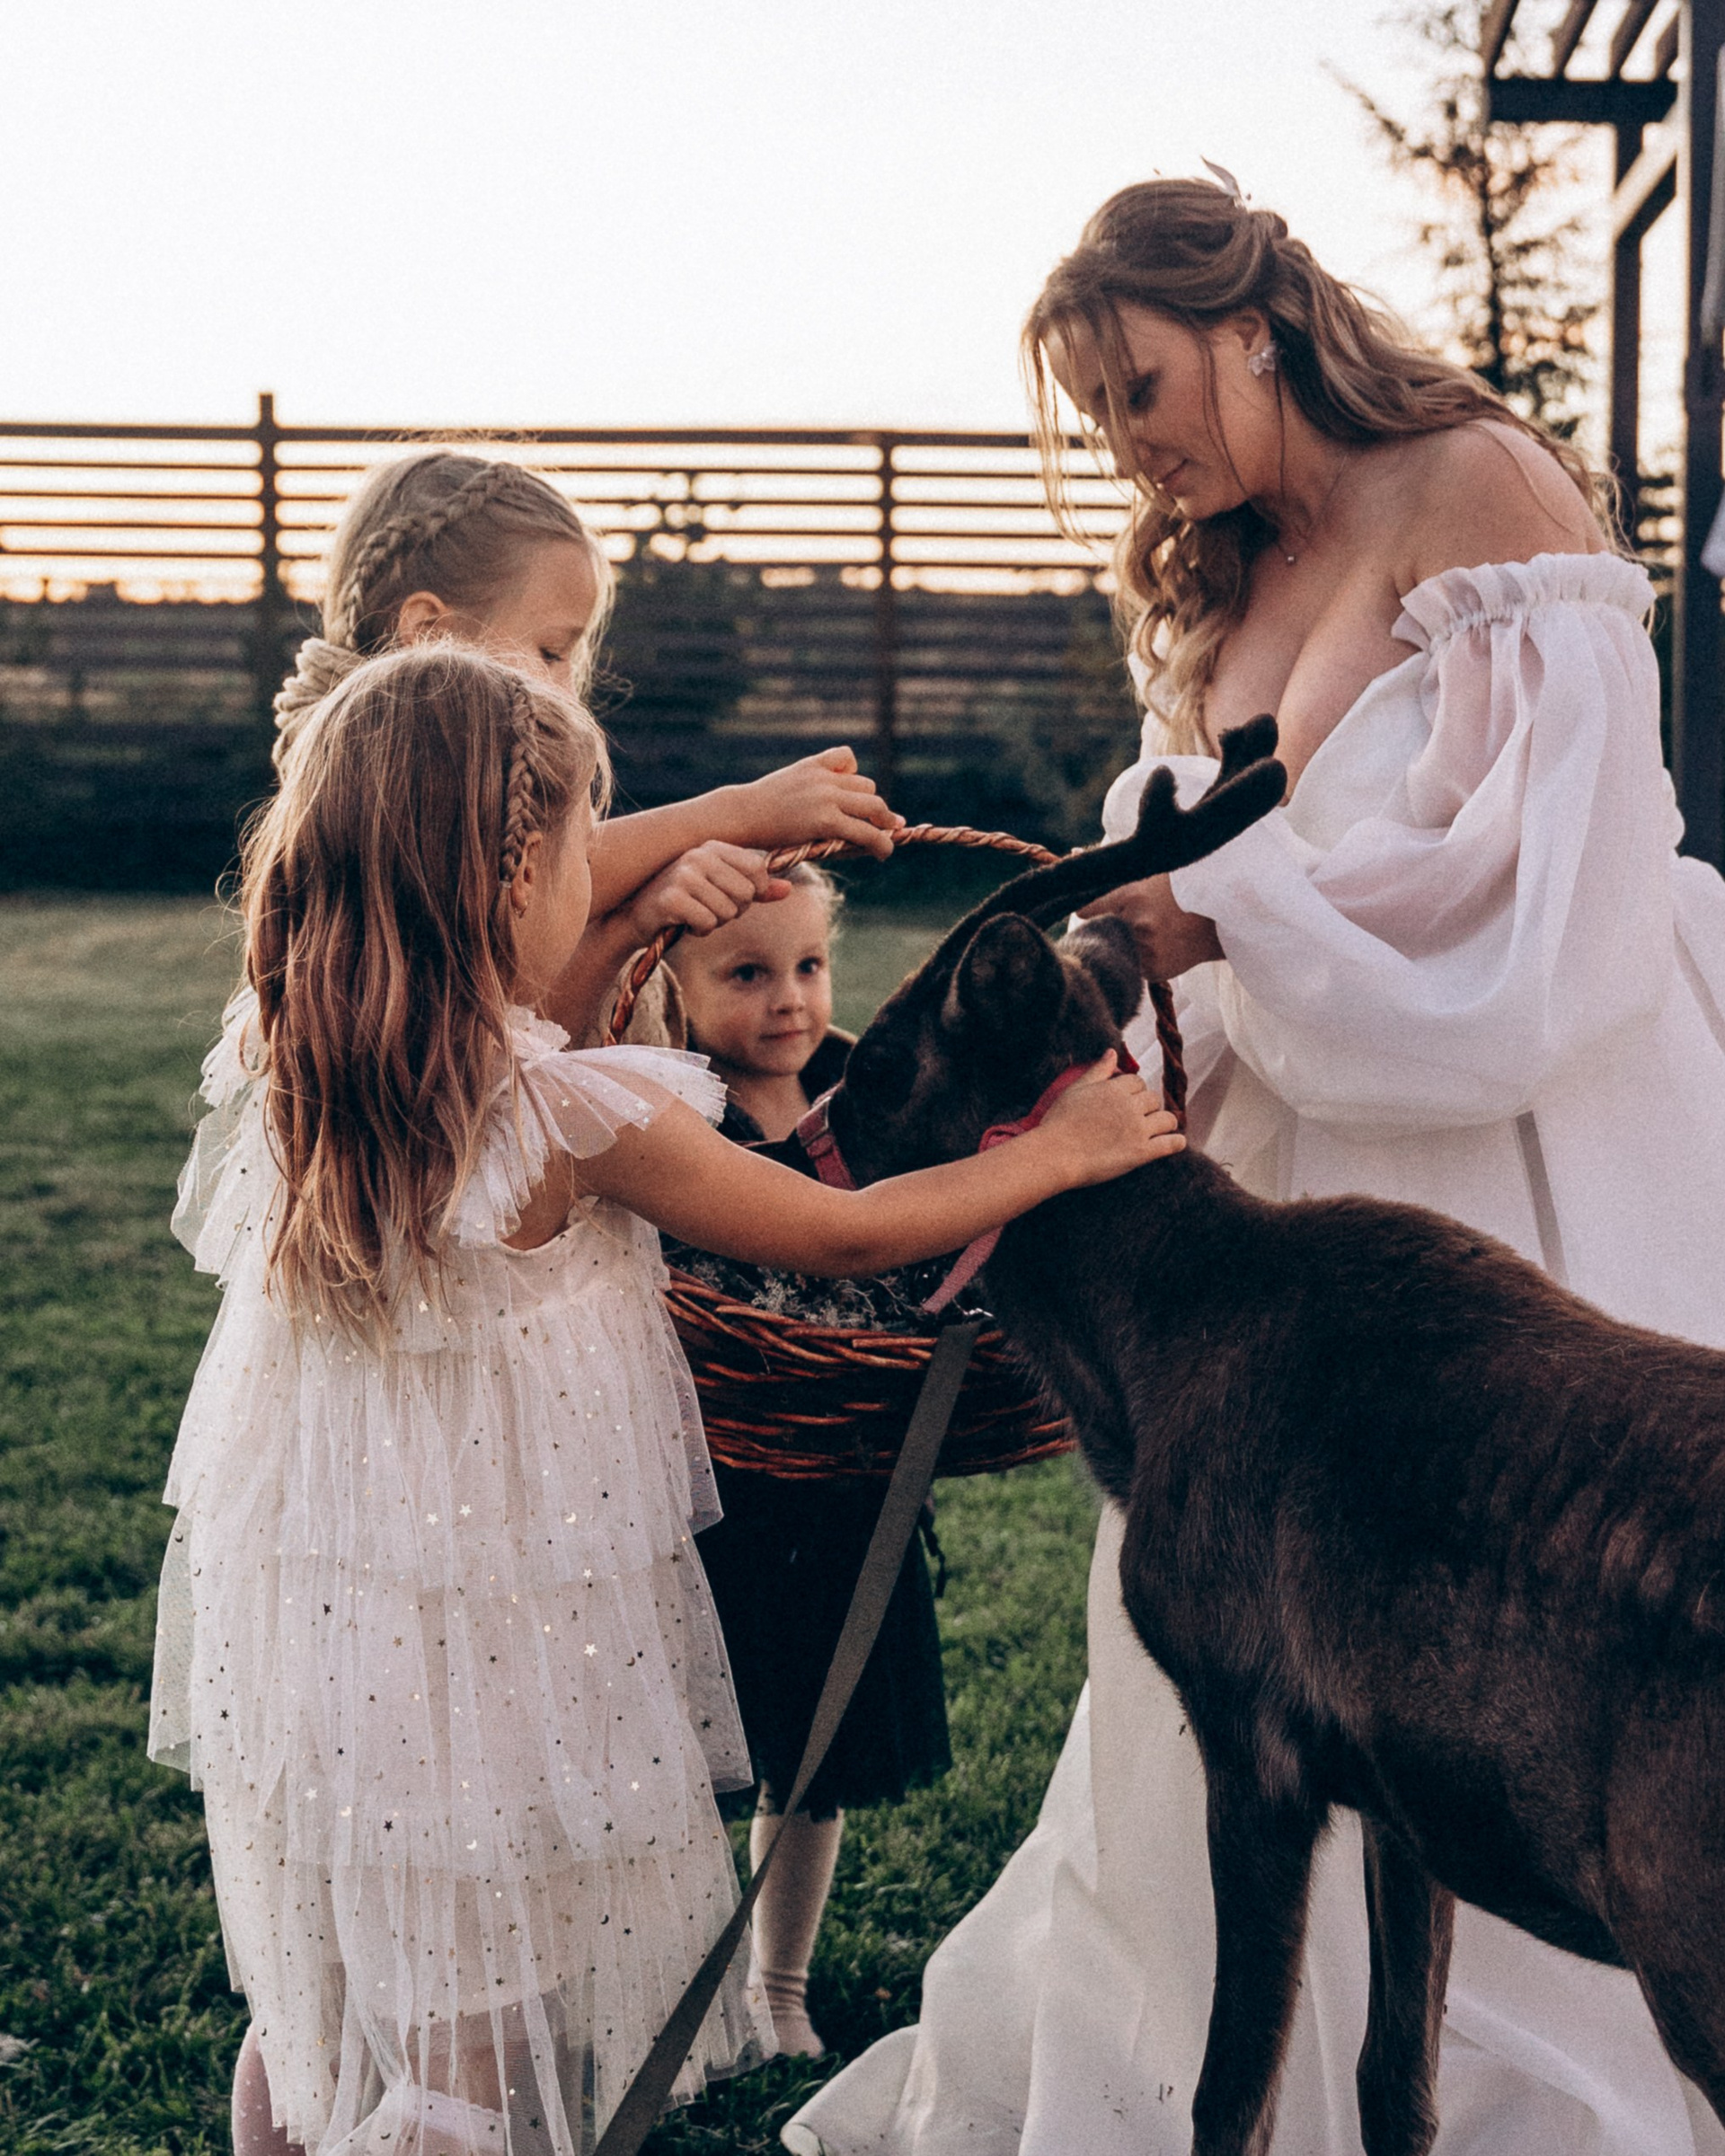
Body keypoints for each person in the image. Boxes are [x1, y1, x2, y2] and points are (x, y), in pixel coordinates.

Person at [786, 176, 1725, 2156]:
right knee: (1248, 1649)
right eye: (1100, 418)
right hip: (1295, 1174)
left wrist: (1225, 914)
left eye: (1141, 389)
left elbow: (1542, 887)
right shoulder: (1221, 581)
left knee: (1540, 1621)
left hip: (1510, 1122)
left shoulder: (1479, 489)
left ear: (1255, 322)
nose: (1133, 446)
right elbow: (1219, 916)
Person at [146, 641, 1181, 2156]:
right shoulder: (574, 1115)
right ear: (513, 877)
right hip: (506, 1645)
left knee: (333, 2014)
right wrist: (1058, 1154)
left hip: (343, 1651)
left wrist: (639, 913)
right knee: (474, 2062)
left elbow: (531, 1004)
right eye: (587, 851)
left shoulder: (305, 1064)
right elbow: (838, 1234)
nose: (602, 876)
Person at [269, 444, 904, 1047]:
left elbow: (535, 985)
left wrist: (631, 922)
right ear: (430, 632)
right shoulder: (366, 773)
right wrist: (739, 813)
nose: (567, 688)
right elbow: (504, 895)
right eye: (550, 651)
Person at [664, 866, 952, 2060]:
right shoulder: (676, 1115)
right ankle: (679, 1982)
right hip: (719, 1488)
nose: (789, 998)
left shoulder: (868, 1098)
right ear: (672, 987)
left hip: (848, 1478)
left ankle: (777, 1986)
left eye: (810, 966)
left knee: (815, 1754)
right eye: (747, 974)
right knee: (703, 1753)